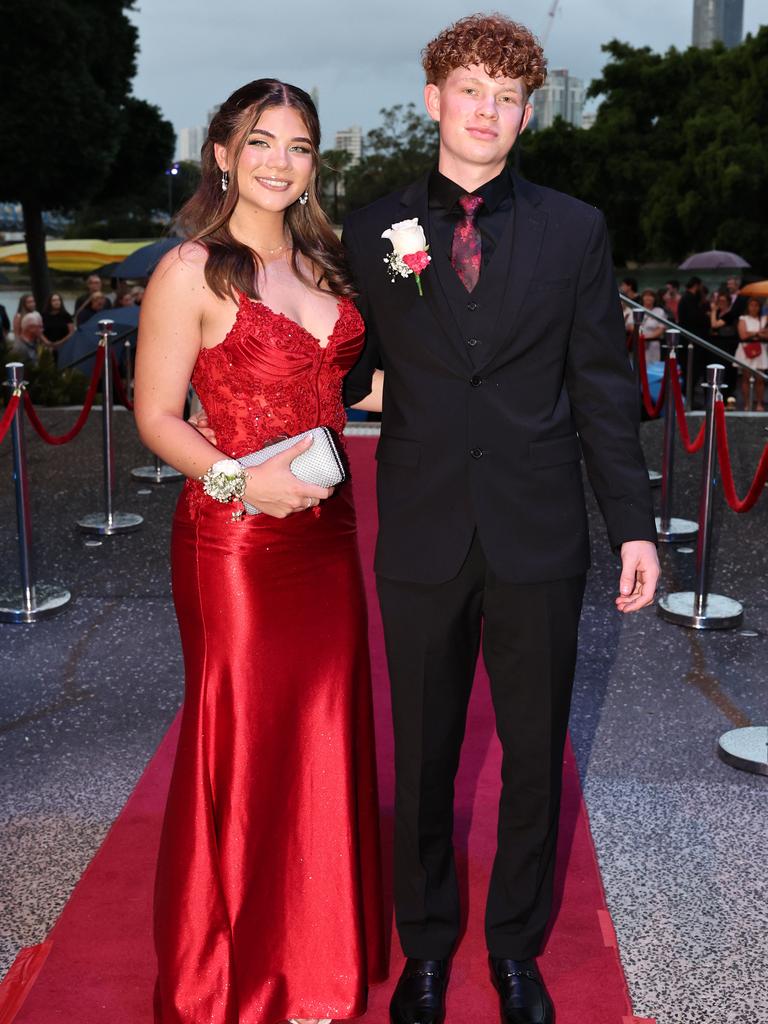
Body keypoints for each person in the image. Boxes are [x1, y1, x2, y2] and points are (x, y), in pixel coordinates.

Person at [340, 15, 659, 1024]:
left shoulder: (573, 228)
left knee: (532, 751)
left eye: (507, 97)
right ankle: (425, 948)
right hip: (423, 530)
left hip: (538, 533)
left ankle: (514, 947)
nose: (487, 112)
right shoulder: (370, 225)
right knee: (425, 754)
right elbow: (337, 356)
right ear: (434, 97)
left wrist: (635, 526)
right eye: (469, 90)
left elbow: (601, 387)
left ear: (528, 113)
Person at [134, 79, 386, 1024]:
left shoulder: (332, 265)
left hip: (328, 536)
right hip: (235, 542)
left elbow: (353, 395)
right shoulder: (191, 270)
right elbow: (156, 416)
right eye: (262, 141)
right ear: (224, 155)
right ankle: (231, 979)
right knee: (243, 747)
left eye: (301, 145)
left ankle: (315, 963)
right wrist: (243, 482)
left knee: (322, 736)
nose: (282, 161)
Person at [677, 276, 710, 404]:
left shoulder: (688, 299)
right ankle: (688, 398)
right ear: (696, 285)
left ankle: (688, 397)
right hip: (692, 340)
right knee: (691, 370)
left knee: (691, 371)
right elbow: (693, 318)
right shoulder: (689, 299)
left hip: (691, 339)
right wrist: (706, 316)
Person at [735, 296, 768, 410]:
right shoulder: (743, 318)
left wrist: (752, 333)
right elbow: (743, 335)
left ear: (759, 307)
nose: (754, 308)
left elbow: (767, 335)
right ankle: (747, 404)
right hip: (745, 349)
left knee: (760, 379)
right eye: (751, 305)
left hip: (760, 350)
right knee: (745, 378)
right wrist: (758, 332)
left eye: (756, 305)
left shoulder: (763, 319)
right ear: (748, 307)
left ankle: (759, 403)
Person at [41, 292, 75, 362]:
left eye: (58, 300)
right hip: (48, 346)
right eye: (54, 300)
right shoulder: (44, 315)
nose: (57, 302)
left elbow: (71, 332)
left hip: (64, 346)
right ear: (49, 302)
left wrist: (59, 343)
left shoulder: (66, 315)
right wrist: (47, 342)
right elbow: (39, 331)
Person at [637, 287, 665, 363]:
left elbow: (661, 329)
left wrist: (646, 338)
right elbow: (631, 326)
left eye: (651, 296)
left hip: (654, 344)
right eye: (646, 295)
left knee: (653, 365)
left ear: (654, 298)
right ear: (642, 298)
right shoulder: (637, 310)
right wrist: (641, 337)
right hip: (639, 342)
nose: (648, 298)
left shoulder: (659, 311)